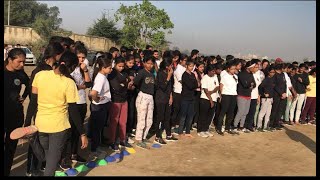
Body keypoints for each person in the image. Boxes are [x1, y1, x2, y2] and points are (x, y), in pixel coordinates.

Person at [28, 51, 88, 176]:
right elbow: (73, 110)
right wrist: (82, 133)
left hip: (41, 124)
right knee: (50, 163)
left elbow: (33, 102)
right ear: (71, 68)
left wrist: (27, 123)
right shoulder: (69, 83)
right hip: (58, 127)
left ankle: (32, 139)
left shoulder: (40, 75)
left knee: (47, 156)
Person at [24, 42, 65, 176]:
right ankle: (33, 169)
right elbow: (34, 99)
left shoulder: (44, 69)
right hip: (44, 114)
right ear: (57, 55)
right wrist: (28, 120)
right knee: (39, 145)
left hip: (45, 114)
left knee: (44, 146)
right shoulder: (43, 72)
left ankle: (42, 167)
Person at [4, 48, 29, 176]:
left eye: (23, 62)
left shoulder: (21, 74)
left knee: (11, 146)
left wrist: (23, 96)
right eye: (19, 62)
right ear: (10, 60)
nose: (22, 65)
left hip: (15, 116)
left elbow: (29, 86)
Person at [68, 45, 92, 164]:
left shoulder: (84, 68)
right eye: (79, 57)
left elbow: (88, 84)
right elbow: (69, 86)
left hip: (82, 101)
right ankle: (66, 157)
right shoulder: (70, 69)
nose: (81, 60)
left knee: (78, 130)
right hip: (72, 103)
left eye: (83, 57)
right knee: (70, 130)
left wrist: (85, 70)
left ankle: (74, 154)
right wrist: (80, 86)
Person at [87, 55, 113, 159]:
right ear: (103, 68)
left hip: (102, 105)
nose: (111, 69)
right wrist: (96, 99)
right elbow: (93, 93)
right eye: (109, 68)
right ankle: (94, 150)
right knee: (96, 129)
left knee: (98, 128)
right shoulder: (100, 78)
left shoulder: (103, 76)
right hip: (99, 107)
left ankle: (96, 147)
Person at [107, 57, 132, 151]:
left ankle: (122, 139)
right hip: (115, 100)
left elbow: (127, 82)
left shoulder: (125, 72)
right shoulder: (112, 73)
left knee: (123, 121)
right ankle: (112, 141)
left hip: (124, 99)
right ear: (115, 64)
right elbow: (117, 87)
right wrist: (125, 84)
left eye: (122, 66)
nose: (121, 68)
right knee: (114, 122)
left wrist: (124, 83)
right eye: (119, 66)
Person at [154, 57, 178, 144]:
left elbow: (170, 87)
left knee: (167, 117)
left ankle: (168, 135)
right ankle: (157, 136)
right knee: (160, 117)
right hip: (160, 98)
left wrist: (171, 97)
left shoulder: (169, 73)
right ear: (166, 66)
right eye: (171, 65)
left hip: (167, 98)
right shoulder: (160, 73)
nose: (172, 66)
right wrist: (168, 76)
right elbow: (163, 87)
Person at [134, 55, 156, 149]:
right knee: (142, 119)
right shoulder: (142, 72)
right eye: (148, 63)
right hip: (143, 96)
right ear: (144, 63)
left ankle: (143, 136)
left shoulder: (152, 74)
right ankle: (138, 139)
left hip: (150, 97)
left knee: (149, 120)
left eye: (152, 63)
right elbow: (136, 83)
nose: (150, 65)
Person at [233, 61, 256, 133]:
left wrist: (251, 84)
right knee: (240, 111)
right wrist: (250, 84)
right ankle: (235, 126)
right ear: (249, 67)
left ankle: (241, 126)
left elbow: (254, 84)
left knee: (245, 112)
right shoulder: (242, 74)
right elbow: (245, 84)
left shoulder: (251, 74)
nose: (254, 69)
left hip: (248, 95)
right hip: (241, 95)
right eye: (253, 67)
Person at [178, 60, 199, 138]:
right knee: (183, 115)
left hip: (192, 97)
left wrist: (195, 84)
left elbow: (196, 84)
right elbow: (191, 85)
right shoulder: (185, 75)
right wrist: (195, 84)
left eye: (192, 66)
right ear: (186, 66)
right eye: (190, 66)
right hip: (185, 97)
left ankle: (187, 131)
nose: (192, 67)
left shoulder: (193, 74)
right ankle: (180, 131)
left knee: (190, 115)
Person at [216, 61, 238, 135]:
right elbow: (221, 86)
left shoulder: (235, 77)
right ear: (228, 69)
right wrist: (221, 95)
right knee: (223, 112)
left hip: (233, 95)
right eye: (232, 69)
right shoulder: (224, 76)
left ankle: (227, 127)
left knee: (231, 113)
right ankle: (219, 128)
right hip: (226, 95)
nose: (233, 70)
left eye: (234, 69)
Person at [198, 64, 219, 138]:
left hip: (214, 98)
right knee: (203, 115)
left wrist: (212, 91)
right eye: (212, 71)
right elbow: (206, 91)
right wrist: (211, 101)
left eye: (214, 71)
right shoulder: (205, 78)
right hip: (205, 99)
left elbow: (217, 87)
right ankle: (200, 130)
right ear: (209, 71)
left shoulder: (215, 77)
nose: (214, 73)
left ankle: (206, 129)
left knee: (210, 116)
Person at [257, 66, 276, 131]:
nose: (273, 73)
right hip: (265, 99)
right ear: (268, 72)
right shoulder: (266, 80)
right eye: (271, 72)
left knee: (268, 113)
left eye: (274, 72)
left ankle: (266, 126)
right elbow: (260, 88)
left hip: (270, 98)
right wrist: (263, 94)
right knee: (262, 113)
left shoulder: (273, 79)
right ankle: (259, 126)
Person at [171, 54, 187, 131]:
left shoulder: (184, 68)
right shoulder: (178, 69)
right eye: (185, 60)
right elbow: (181, 81)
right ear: (180, 60)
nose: (186, 62)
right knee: (176, 109)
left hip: (183, 91)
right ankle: (172, 125)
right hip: (177, 91)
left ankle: (177, 125)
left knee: (180, 109)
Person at [269, 64, 287, 130]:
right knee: (274, 109)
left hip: (283, 95)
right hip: (276, 95)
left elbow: (285, 84)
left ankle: (277, 123)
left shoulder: (283, 74)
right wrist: (281, 93)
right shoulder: (275, 75)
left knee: (280, 110)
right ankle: (271, 123)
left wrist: (284, 93)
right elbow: (274, 85)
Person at [192, 61, 205, 130]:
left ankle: (196, 122)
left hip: (201, 92)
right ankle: (192, 122)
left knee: (199, 108)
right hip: (195, 92)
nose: (202, 68)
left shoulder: (203, 74)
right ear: (197, 67)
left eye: (203, 67)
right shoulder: (194, 73)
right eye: (200, 67)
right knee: (195, 108)